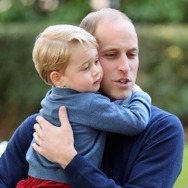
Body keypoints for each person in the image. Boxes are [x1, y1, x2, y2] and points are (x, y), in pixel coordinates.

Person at [0, 8, 184, 188]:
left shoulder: (162, 130)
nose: (125, 67)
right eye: (111, 55)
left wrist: (69, 159)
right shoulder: (42, 129)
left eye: (132, 54)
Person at [15, 23, 151, 187]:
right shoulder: (89, 103)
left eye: (96, 61)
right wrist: (140, 95)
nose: (96, 71)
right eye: (86, 67)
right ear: (58, 78)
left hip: (34, 180)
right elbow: (135, 121)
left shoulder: (53, 97)